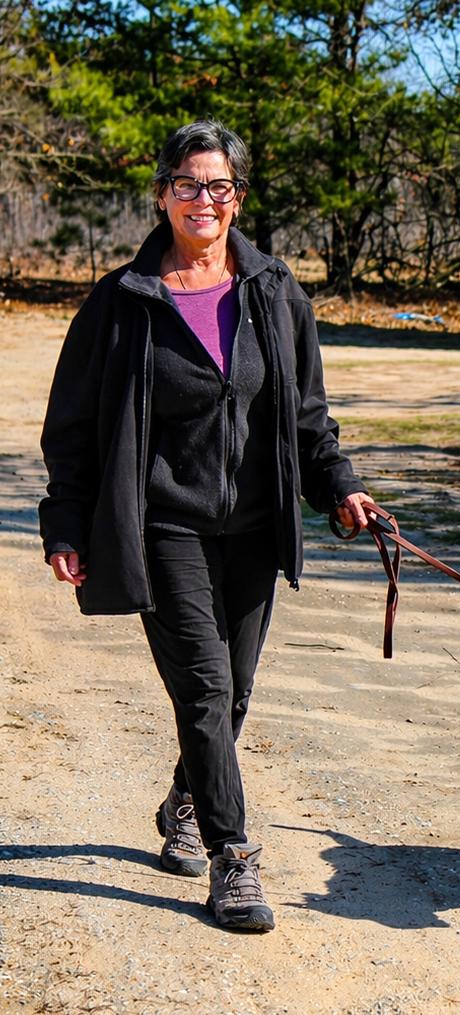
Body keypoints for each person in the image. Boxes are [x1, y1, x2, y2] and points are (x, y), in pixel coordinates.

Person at [39, 120, 374, 932]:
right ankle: (233, 855)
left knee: (236, 689)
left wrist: (339, 486)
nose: (202, 199)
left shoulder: (273, 290)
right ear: (162, 195)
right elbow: (72, 426)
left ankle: (185, 799)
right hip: (163, 524)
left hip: (254, 526)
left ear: (238, 198)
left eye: (217, 185)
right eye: (186, 184)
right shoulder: (123, 301)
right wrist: (66, 520)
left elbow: (306, 413)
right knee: (205, 685)